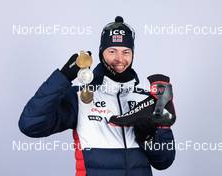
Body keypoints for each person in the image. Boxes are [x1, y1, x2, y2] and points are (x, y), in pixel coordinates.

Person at [19, 16, 176, 176]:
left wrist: (148, 138)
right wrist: (63, 77)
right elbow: (30, 125)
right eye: (112, 51)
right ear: (102, 52)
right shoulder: (81, 96)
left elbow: (164, 162)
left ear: (133, 54)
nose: (119, 59)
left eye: (126, 52)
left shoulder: (145, 98)